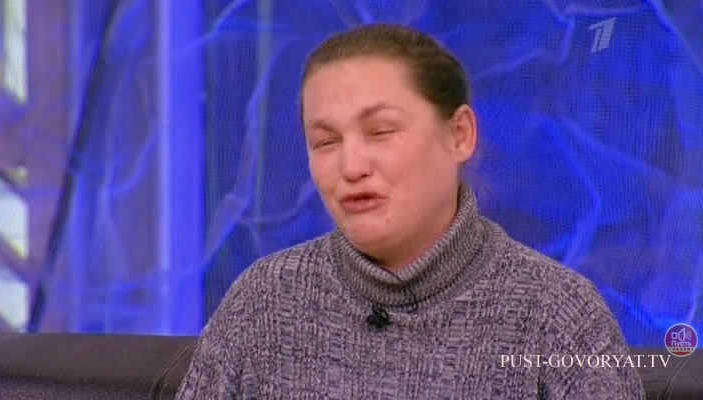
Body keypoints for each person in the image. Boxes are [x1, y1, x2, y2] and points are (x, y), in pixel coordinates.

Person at [175, 23, 645, 399]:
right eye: (325, 141)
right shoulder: (263, 302)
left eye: (381, 132)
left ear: (459, 135)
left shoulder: (557, 315)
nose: (351, 166)